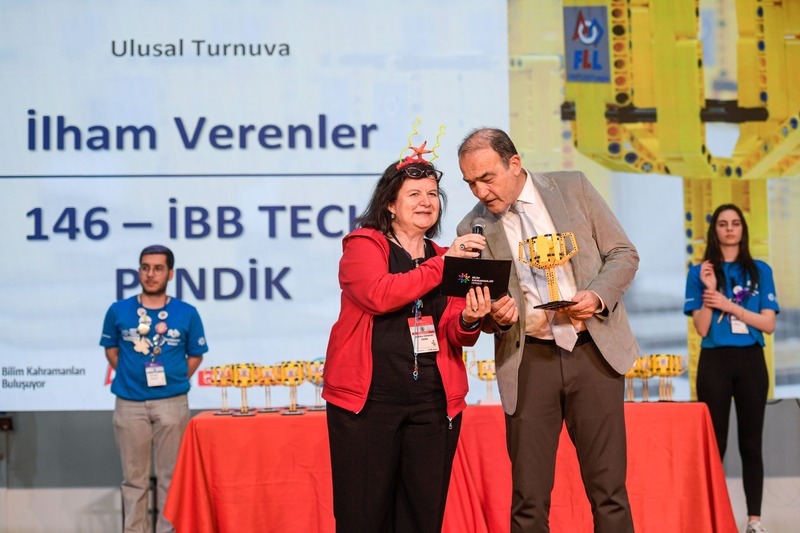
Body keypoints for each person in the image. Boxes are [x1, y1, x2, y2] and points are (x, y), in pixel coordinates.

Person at [456, 128, 639, 533]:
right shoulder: (472, 227)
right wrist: (496, 317)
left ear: (514, 164)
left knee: (609, 491)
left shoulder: (572, 188)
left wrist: (597, 295)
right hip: (529, 360)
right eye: (470, 183)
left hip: (593, 351)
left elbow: (623, 254)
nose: (480, 192)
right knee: (529, 498)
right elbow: (484, 311)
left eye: (487, 178)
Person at [323, 150, 491, 532]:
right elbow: (379, 294)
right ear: (390, 204)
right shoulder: (364, 245)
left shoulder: (443, 255)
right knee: (363, 517)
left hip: (433, 404)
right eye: (414, 194)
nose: (426, 202)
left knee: (422, 517)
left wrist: (470, 319)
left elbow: (456, 332)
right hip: (369, 405)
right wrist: (443, 265)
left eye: (432, 194)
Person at [100, 245, 208, 533]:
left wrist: (175, 379)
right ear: (139, 271)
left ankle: (167, 530)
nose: (151, 274)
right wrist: (130, 375)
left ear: (170, 273)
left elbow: (196, 355)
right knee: (133, 480)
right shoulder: (118, 310)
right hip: (129, 403)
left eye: (158, 268)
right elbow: (111, 350)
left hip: (172, 403)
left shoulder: (186, 312)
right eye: (145, 267)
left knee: (170, 478)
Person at [684, 204, 779, 533]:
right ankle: (712, 518)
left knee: (751, 444)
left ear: (743, 229)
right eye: (723, 224)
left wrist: (729, 306)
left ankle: (754, 521)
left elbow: (768, 324)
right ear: (715, 231)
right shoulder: (700, 273)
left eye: (735, 223)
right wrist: (711, 290)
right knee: (716, 445)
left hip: (751, 360)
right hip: (715, 362)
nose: (729, 229)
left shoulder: (760, 270)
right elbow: (702, 329)